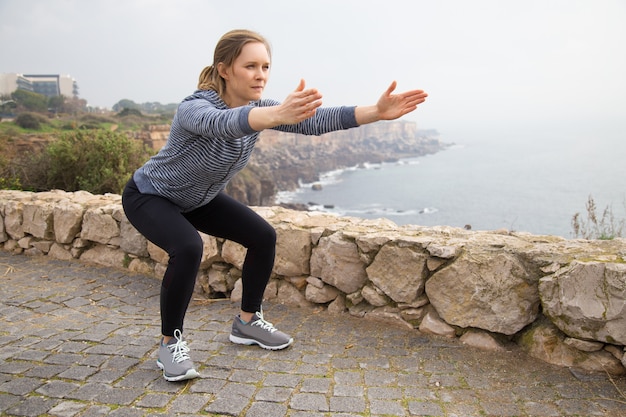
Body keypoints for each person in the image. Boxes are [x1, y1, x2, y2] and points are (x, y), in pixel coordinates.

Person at [121, 29, 428, 382]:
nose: (260, 75)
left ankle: (247, 322)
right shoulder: (195, 107)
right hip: (151, 195)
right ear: (224, 69)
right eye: (250, 66)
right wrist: (276, 114)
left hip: (198, 199)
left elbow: (314, 121)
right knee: (188, 247)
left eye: (265, 66)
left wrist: (375, 111)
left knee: (262, 236)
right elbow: (223, 124)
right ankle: (169, 344)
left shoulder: (263, 110)